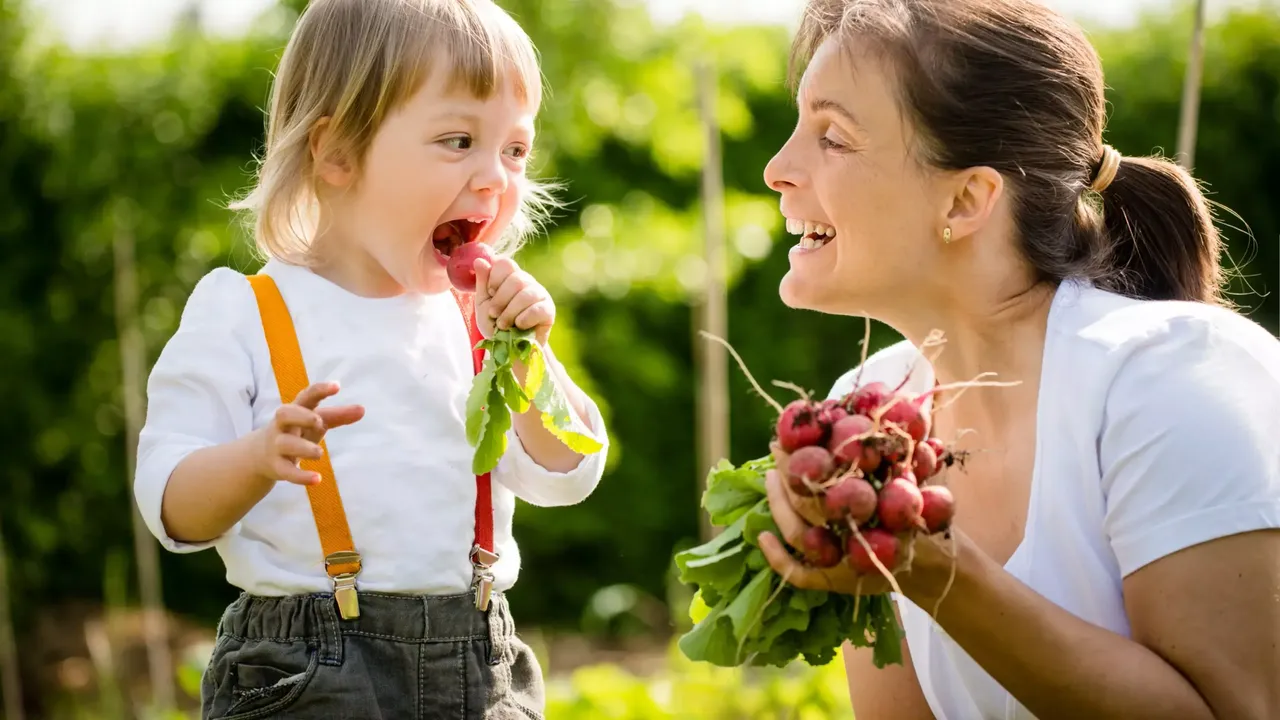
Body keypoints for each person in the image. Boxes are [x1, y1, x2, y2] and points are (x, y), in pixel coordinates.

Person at [757, 1, 1280, 718]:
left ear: (969, 198)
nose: (777, 169)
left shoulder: (1174, 375)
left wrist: (937, 574)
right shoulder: (870, 407)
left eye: (833, 137)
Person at [132, 1, 608, 717]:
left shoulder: (478, 322)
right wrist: (257, 458)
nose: (494, 179)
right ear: (337, 153)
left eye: (514, 149)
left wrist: (529, 362)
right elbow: (170, 504)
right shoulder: (247, 312)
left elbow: (569, 474)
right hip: (305, 671)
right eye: (457, 140)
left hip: (480, 668)